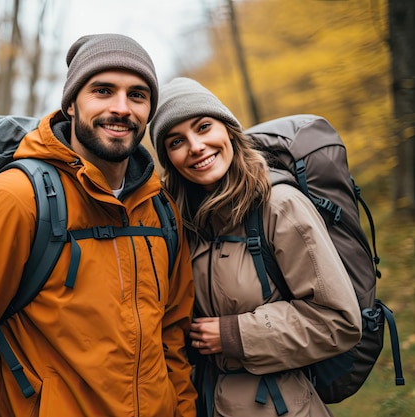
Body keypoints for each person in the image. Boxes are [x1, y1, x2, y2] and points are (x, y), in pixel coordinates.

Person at [0, 35, 197, 417]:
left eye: (138, 95)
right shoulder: (15, 198)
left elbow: (172, 342)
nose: (122, 108)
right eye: (103, 90)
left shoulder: (160, 209)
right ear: (71, 105)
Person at [149, 77, 362, 416]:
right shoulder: (183, 223)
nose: (196, 146)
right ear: (169, 158)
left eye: (203, 127)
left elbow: (338, 321)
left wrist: (236, 334)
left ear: (229, 129)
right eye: (177, 141)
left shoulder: (279, 206)